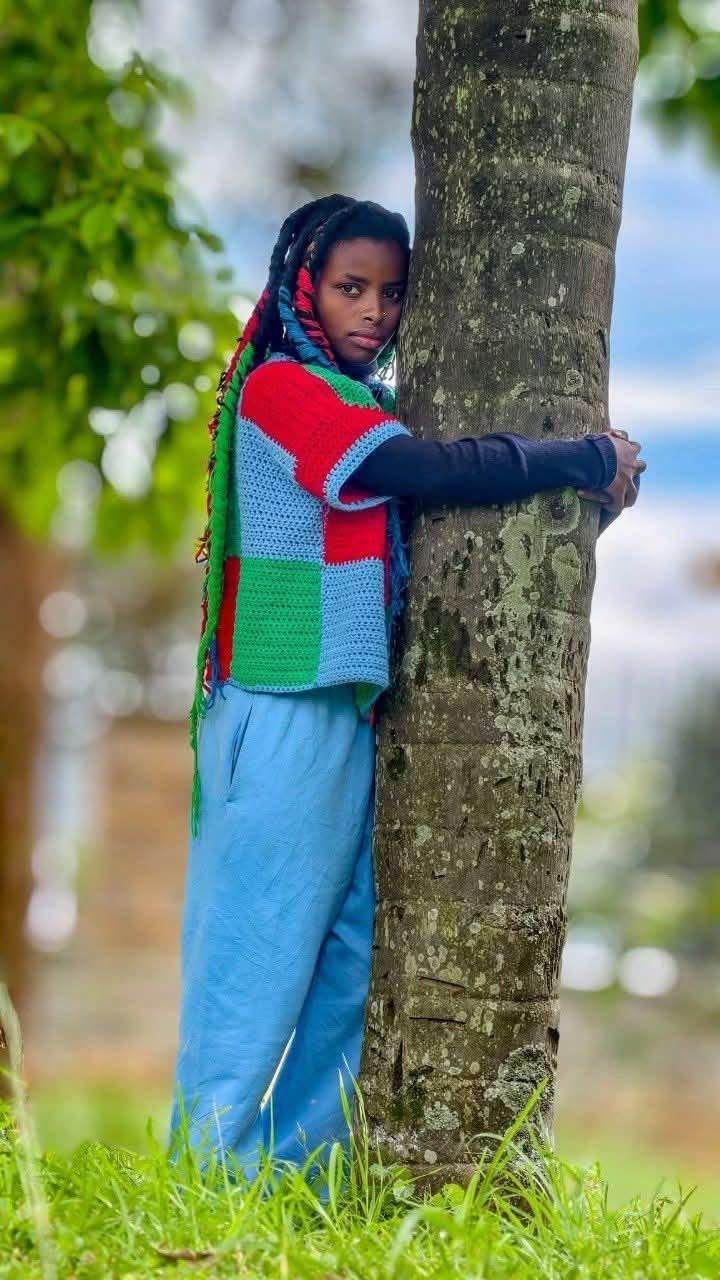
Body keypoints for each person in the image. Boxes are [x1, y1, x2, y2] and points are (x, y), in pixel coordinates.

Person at [168, 193, 646, 1184]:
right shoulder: (281, 392)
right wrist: (580, 455)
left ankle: (288, 1178)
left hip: (344, 712)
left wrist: (587, 503)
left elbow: (430, 532)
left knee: (352, 962)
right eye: (353, 287)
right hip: (279, 707)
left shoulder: (363, 405)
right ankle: (201, 1177)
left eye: (393, 293)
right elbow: (419, 470)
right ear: (305, 286)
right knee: (254, 962)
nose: (376, 312)